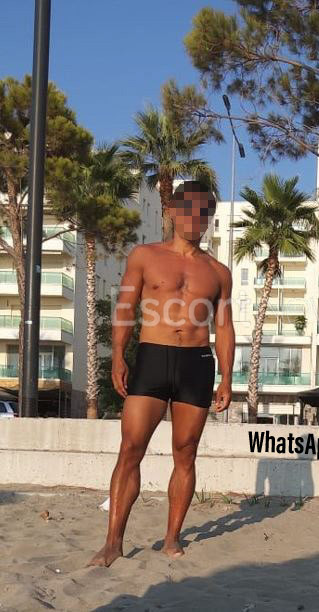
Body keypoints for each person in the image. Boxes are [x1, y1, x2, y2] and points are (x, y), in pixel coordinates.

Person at [88, 180, 235, 567]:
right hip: (152, 357)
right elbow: (125, 307)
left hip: (196, 363)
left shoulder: (219, 272)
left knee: (185, 452)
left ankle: (172, 538)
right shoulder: (145, 256)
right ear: (172, 211)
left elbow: (224, 326)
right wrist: (118, 356)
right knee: (130, 449)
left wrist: (227, 377)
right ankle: (113, 542)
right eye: (189, 209)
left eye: (204, 212)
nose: (196, 218)